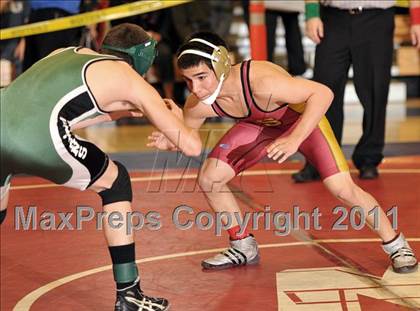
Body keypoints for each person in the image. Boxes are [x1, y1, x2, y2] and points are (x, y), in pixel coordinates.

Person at [147, 32, 418, 274]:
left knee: (342, 188)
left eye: (201, 77)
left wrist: (294, 138)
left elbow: (322, 94)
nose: (195, 88)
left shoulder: (262, 81)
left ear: (220, 65)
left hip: (300, 123)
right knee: (209, 178)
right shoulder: (198, 103)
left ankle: (397, 245)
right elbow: (190, 139)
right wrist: (171, 139)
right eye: (188, 80)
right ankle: (243, 245)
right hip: (260, 126)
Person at [0, 23, 201, 311]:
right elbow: (192, 147)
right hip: (38, 137)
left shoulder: (66, 52)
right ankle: (129, 294)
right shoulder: (131, 79)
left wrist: (119, 112)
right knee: (116, 182)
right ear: (142, 58)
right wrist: (178, 119)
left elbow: (62, 114)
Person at [292, 0, 419, 182]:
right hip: (333, 19)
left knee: (376, 91)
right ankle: (320, 160)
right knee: (323, 90)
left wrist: (417, 20)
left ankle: (369, 158)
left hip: (377, 18)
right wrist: (312, 13)